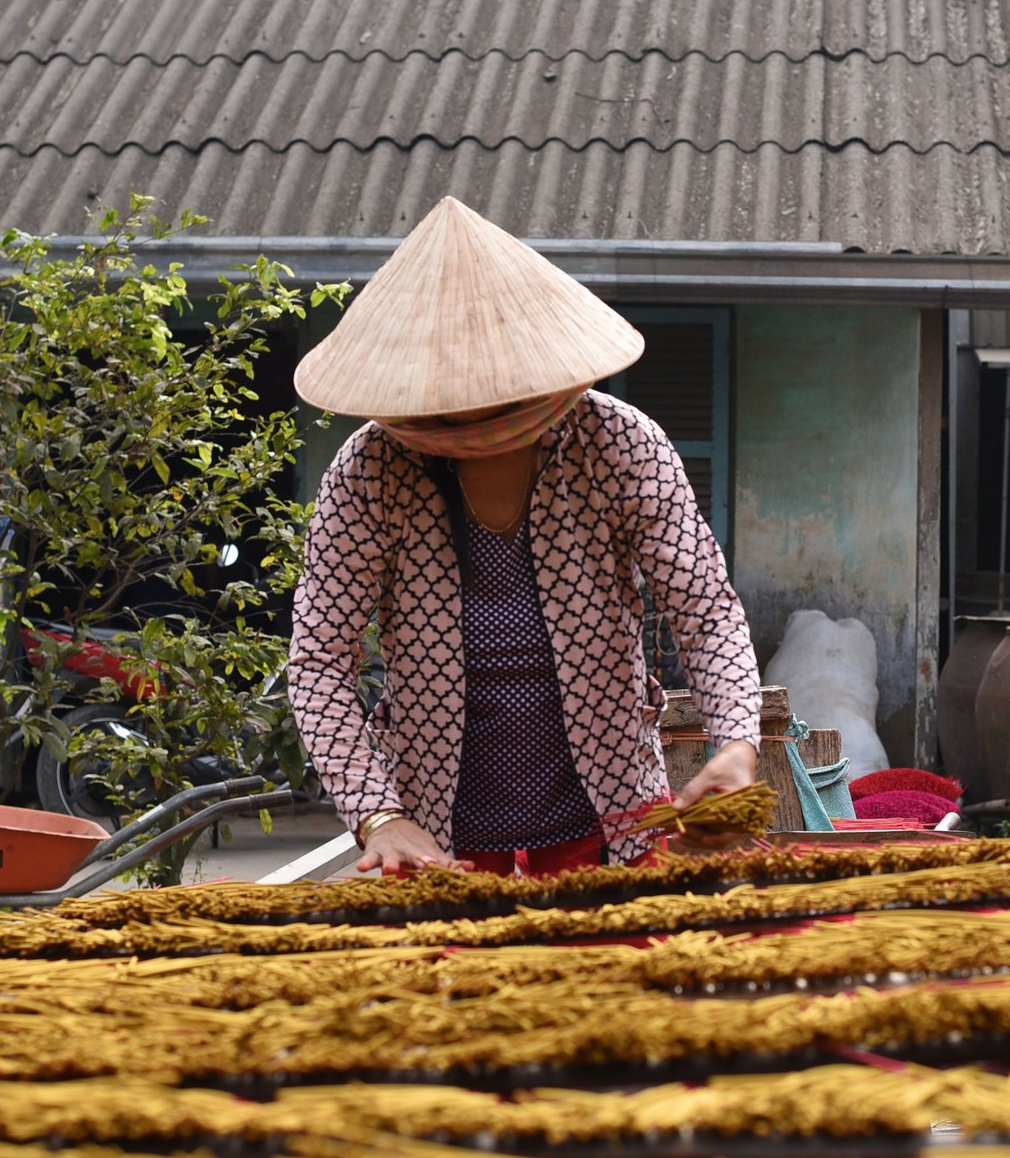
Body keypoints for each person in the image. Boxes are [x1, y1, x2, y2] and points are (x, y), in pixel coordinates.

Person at [286, 197, 764, 877]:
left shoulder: (621, 446)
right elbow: (318, 664)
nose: (472, 421)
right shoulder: (369, 471)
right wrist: (381, 816)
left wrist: (736, 745)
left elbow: (706, 611)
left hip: (612, 827)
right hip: (438, 845)